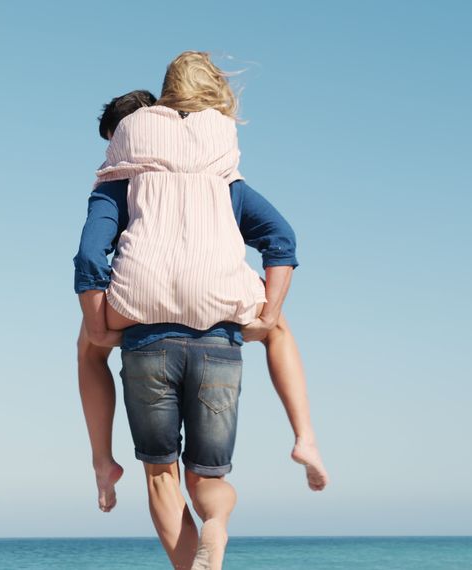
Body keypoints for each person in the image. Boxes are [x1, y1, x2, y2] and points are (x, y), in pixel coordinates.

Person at [74, 52, 328, 569]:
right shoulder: (222, 181)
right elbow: (281, 238)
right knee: (209, 481)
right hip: (219, 334)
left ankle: (104, 465)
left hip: (145, 333)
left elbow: (88, 253)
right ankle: (232, 508)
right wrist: (268, 314)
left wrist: (97, 318)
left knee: (160, 475)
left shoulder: (121, 180)